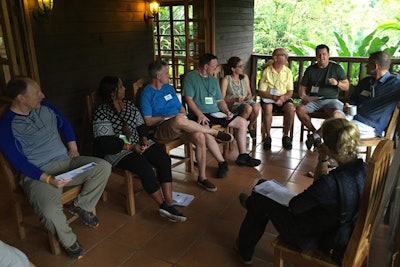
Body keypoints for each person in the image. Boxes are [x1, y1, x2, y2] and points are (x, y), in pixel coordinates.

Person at [0, 77, 111, 260]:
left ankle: (81, 206)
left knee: (103, 167)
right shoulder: (6, 127)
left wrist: (73, 147)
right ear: (21, 98)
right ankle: (69, 241)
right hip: (37, 174)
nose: (42, 95)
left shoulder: (46, 107)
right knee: (50, 212)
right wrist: (49, 179)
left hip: (66, 162)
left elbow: (64, 123)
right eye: (36, 93)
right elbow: (19, 162)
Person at [236, 118, 365, 265]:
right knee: (262, 185)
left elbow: (296, 206)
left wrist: (323, 160)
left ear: (328, 147)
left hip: (315, 237)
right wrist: (322, 160)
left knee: (261, 198)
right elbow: (320, 191)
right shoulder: (363, 169)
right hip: (338, 226)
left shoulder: (330, 184)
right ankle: (252, 203)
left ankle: (244, 250)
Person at [92, 76, 187, 222]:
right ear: (113, 92)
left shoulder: (129, 105)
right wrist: (130, 146)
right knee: (144, 166)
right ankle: (162, 205)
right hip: (118, 151)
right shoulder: (101, 112)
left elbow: (141, 125)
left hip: (138, 143)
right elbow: (105, 143)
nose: (124, 89)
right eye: (121, 87)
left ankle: (169, 201)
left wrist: (143, 139)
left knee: (163, 159)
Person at [140, 61, 234, 192]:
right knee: (179, 119)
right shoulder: (146, 93)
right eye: (166, 73)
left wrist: (178, 116)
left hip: (180, 124)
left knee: (200, 137)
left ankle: (202, 177)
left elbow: (182, 110)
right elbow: (148, 121)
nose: (169, 76)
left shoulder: (169, 88)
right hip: (161, 129)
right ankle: (213, 133)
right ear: (158, 76)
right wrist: (168, 117)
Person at [182, 53, 261, 167]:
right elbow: (188, 99)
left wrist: (226, 111)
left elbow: (220, 100)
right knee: (206, 131)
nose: (216, 68)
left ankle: (243, 156)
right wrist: (199, 114)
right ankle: (222, 162)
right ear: (205, 66)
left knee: (242, 122)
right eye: (214, 66)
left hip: (215, 113)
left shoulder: (213, 80)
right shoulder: (190, 77)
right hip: (200, 114)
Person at [296, 44, 350, 150]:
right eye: (319, 55)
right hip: (315, 100)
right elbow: (301, 90)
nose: (322, 57)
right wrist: (304, 98)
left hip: (331, 100)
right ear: (316, 56)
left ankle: (316, 136)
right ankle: (315, 134)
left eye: (324, 54)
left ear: (328, 55)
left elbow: (346, 86)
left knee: (338, 114)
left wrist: (337, 83)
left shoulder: (336, 68)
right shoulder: (310, 70)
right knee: (299, 110)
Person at [336, 51, 400, 138]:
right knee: (335, 117)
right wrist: (349, 104)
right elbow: (353, 98)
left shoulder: (395, 83)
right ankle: (317, 138)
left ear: (375, 66)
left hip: (370, 124)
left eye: (368, 64)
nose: (365, 66)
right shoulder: (366, 81)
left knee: (340, 131)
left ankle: (335, 149)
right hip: (354, 115)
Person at [258, 48, 296, 150]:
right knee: (268, 108)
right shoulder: (267, 71)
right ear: (275, 57)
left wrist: (283, 98)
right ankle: (268, 136)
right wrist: (274, 97)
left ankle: (286, 136)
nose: (286, 57)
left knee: (291, 108)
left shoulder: (287, 71)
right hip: (269, 98)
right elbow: (261, 91)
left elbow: (290, 91)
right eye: (283, 55)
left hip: (283, 98)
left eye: (286, 55)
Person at [220, 56, 260, 139]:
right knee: (248, 108)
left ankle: (250, 125)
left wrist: (248, 97)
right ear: (233, 69)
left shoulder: (244, 77)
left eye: (242, 65)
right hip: (233, 104)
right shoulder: (226, 80)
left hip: (245, 101)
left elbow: (249, 93)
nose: (242, 68)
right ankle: (238, 129)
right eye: (240, 66)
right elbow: (222, 98)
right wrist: (235, 99)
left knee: (256, 107)